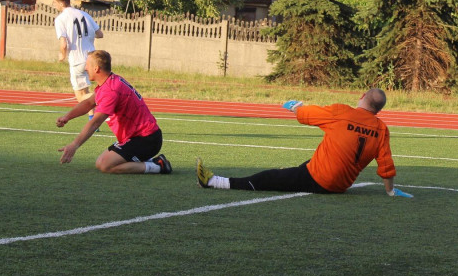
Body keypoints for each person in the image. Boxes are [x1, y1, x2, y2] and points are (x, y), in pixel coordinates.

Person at [196, 88, 407, 196]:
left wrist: (295, 107)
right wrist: (390, 191)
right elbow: (386, 167)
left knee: (271, 177)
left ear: (362, 96)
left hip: (321, 180)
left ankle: (215, 182)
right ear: (379, 109)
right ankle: (292, 173)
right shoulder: (381, 130)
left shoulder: (343, 112)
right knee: (307, 164)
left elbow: (307, 114)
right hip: (342, 184)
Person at [56, 50, 172, 175]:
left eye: (87, 65)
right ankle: (145, 160)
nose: (85, 68)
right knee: (100, 162)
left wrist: (74, 145)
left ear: (96, 69)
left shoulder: (111, 90)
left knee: (106, 166)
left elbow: (95, 123)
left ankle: (158, 166)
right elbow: (89, 103)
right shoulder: (110, 81)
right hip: (136, 137)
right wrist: (67, 117)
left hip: (146, 139)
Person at [53, 0, 103, 104]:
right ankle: (93, 120)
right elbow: (100, 34)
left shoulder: (61, 19)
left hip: (77, 60)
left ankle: (108, 100)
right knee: (86, 94)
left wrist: (62, 55)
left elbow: (64, 43)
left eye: (54, 2)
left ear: (61, 3)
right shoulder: (84, 14)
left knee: (81, 97)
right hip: (91, 58)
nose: (53, 5)